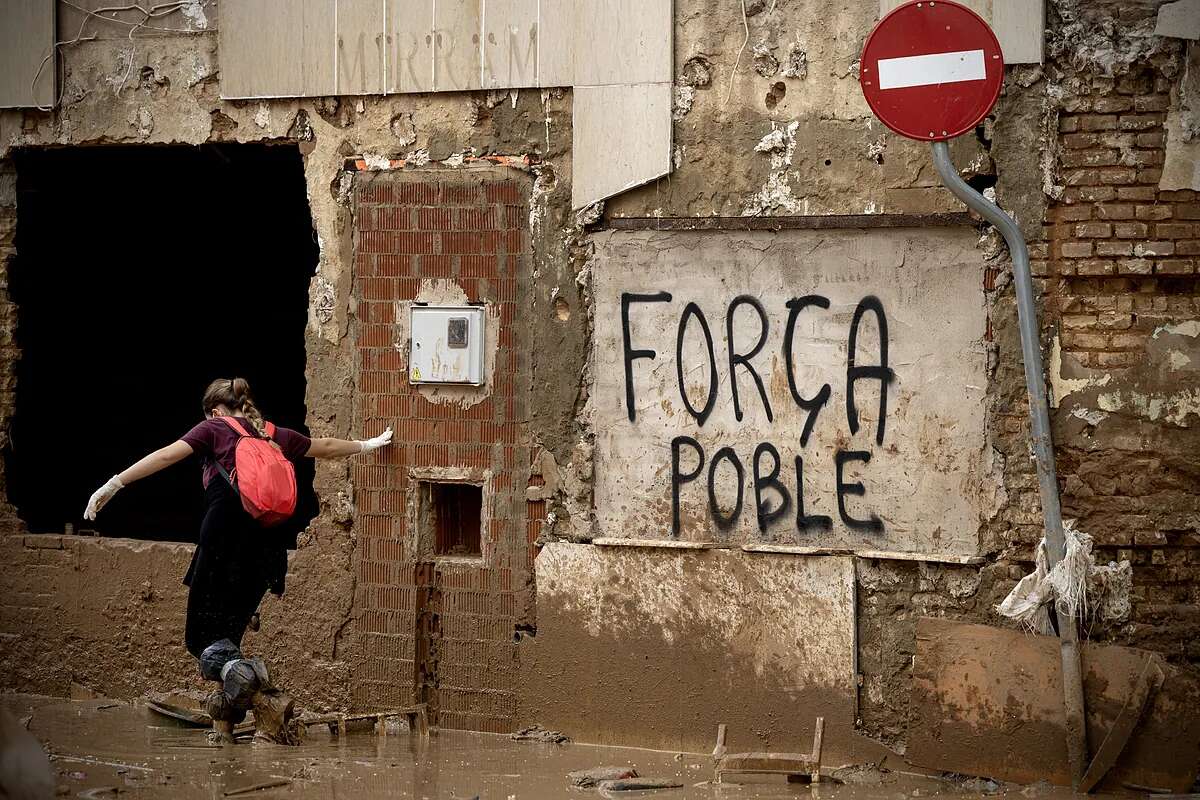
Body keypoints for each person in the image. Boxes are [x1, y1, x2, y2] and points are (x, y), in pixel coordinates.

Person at [83, 377, 392, 665]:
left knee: (199, 641)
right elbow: (325, 446)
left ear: (215, 412)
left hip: (222, 540)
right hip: (267, 547)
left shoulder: (214, 429)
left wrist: (114, 484)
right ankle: (236, 698)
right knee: (228, 639)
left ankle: (245, 683)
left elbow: (166, 456)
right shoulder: (273, 433)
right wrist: (369, 444)